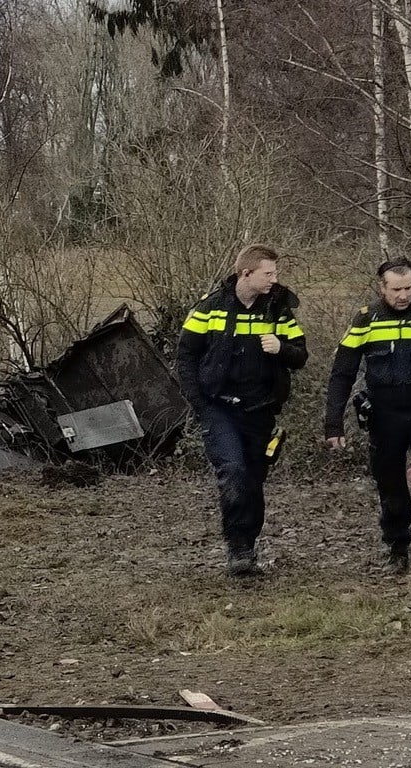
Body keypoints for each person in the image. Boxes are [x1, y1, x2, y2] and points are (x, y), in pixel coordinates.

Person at [176, 244, 308, 577]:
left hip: (260, 410)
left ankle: (248, 546)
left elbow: (301, 355)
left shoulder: (276, 310)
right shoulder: (209, 309)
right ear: (246, 274)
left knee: (252, 480)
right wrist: (201, 406)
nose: (274, 279)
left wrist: (281, 349)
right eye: (269, 273)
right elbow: (185, 358)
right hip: (219, 408)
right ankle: (237, 549)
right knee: (232, 471)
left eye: (275, 273)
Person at [324, 258, 411, 574]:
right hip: (385, 415)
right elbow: (342, 373)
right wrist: (333, 422)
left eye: (408, 288)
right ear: (382, 288)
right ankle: (397, 548)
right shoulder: (367, 320)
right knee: (390, 484)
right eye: (396, 290)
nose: (403, 295)